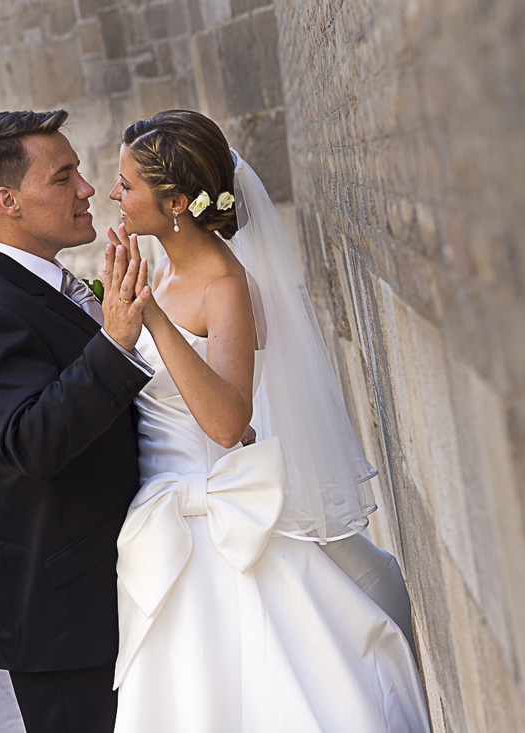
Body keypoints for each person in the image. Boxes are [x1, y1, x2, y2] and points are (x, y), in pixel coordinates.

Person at [107, 109, 430, 731]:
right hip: (160, 516)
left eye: (127, 185)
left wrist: (149, 320)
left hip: (217, 520)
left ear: (174, 201)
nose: (115, 195)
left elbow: (229, 422)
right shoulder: (162, 274)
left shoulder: (225, 284)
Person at [0, 109, 154, 732]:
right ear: (7, 201)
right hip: (65, 617)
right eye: (63, 176)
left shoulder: (49, 283)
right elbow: (32, 442)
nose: (87, 188)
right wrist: (114, 344)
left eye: (80, 172)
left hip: (118, 583)